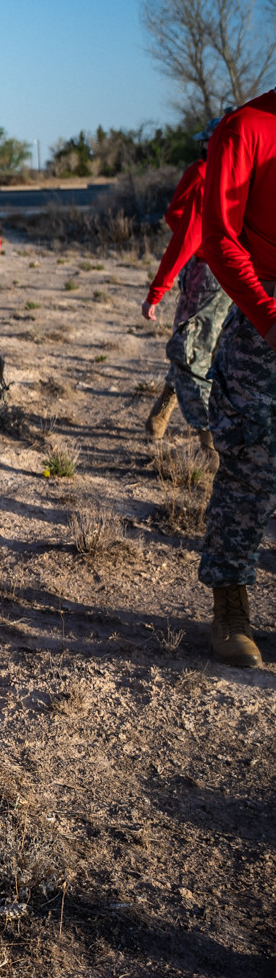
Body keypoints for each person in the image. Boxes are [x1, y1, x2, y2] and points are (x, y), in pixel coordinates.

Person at [195, 87, 276, 667]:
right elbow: (218, 237)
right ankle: (231, 609)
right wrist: (270, 320)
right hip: (263, 322)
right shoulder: (246, 128)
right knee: (251, 467)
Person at [142, 117, 232, 452]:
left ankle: (210, 446)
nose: (205, 146)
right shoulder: (247, 173)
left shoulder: (204, 174)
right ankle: (163, 415)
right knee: (203, 348)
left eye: (209, 140)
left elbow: (183, 228)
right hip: (244, 278)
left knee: (190, 351)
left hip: (209, 273)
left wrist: (156, 292)